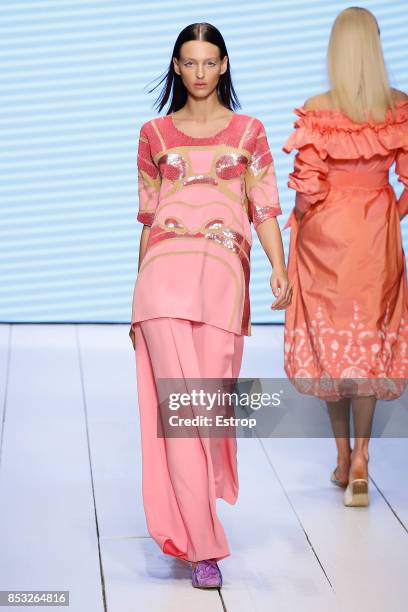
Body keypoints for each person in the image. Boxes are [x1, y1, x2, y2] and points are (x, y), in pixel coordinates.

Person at [129, 22, 291, 588]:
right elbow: (149, 217)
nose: (199, 72)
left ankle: (191, 525)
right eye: (189, 62)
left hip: (223, 281)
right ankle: (203, 546)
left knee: (209, 409)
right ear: (176, 66)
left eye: (209, 62)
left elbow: (265, 206)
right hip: (163, 282)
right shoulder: (153, 132)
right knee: (182, 417)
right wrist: (136, 289)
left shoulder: (250, 132)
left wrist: (279, 266)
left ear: (224, 65)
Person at [282, 7, 408, 508]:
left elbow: (308, 190)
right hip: (375, 236)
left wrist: (304, 229)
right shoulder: (398, 107)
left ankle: (340, 458)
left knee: (330, 348)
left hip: (326, 238)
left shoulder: (318, 108)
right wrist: (388, 216)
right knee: (369, 343)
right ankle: (360, 459)